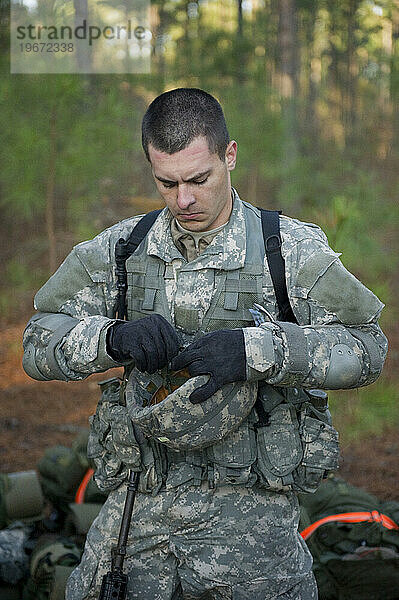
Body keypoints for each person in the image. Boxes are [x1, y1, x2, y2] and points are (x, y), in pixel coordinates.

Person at [22, 88, 388, 600]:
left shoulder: (288, 251)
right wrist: (112, 337)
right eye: (166, 182)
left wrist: (258, 351)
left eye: (199, 179)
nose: (183, 200)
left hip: (252, 526)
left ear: (229, 156)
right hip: (139, 513)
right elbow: (38, 342)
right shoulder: (121, 251)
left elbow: (368, 348)